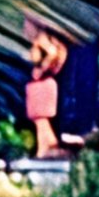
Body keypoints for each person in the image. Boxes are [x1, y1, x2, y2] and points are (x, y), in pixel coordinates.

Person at [25, 19, 70, 158]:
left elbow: (53, 53)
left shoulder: (43, 42)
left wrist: (44, 65)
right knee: (41, 123)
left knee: (42, 123)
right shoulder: (43, 44)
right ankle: (44, 149)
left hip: (41, 91)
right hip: (39, 90)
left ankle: (46, 149)